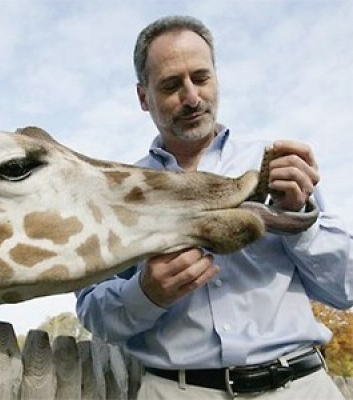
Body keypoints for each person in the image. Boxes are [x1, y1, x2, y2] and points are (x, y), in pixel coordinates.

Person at [75, 15, 352, 399]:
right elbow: (94, 315)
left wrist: (301, 223)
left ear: (216, 78)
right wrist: (145, 294)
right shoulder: (117, 194)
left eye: (201, 78)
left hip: (301, 387)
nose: (191, 97)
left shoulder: (277, 169)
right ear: (143, 97)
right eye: (171, 85)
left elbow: (345, 289)